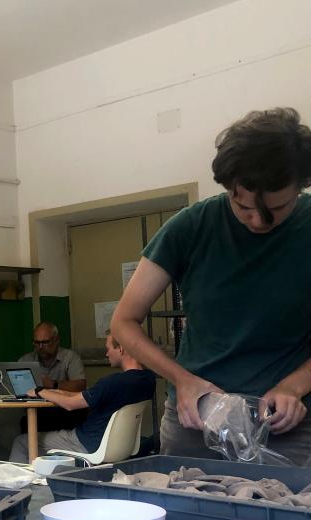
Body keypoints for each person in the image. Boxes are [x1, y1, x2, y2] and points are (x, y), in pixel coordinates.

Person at [112, 107, 311, 466]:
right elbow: (124, 321)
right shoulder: (190, 227)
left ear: (302, 185)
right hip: (196, 418)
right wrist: (182, 379)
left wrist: (294, 387)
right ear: (227, 186)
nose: (258, 222)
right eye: (243, 206)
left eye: (277, 208)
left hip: (289, 427)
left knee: (289, 519)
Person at [9, 332, 155, 462]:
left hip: (86, 443)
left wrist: (40, 391)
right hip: (120, 446)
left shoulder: (113, 382)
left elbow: (70, 404)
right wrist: (55, 392)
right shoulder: (148, 379)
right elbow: (83, 396)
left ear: (121, 349)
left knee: (22, 441)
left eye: (108, 348)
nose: (106, 354)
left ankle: (18, 487)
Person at [19, 321, 86, 392]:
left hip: (61, 402)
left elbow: (80, 386)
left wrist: (54, 384)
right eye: (37, 343)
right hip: (33, 402)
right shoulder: (25, 360)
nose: (40, 347)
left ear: (56, 340)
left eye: (45, 342)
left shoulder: (70, 357)